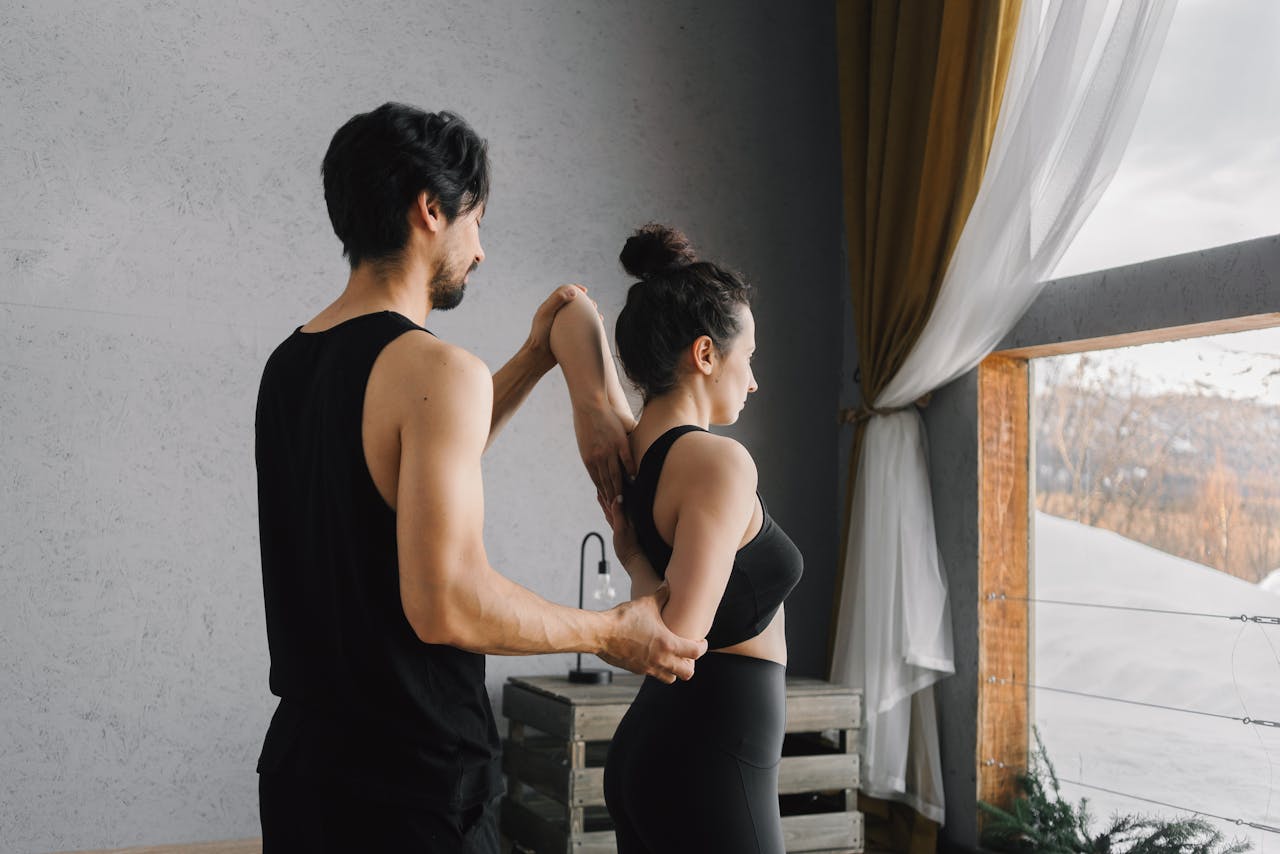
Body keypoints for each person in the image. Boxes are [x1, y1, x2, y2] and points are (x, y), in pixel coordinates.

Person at [253, 103, 706, 854]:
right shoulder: (435, 370)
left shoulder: (289, 363)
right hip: (413, 786)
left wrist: (533, 358)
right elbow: (448, 605)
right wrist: (610, 632)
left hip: (304, 772)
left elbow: (396, 473)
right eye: (476, 221)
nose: (481, 252)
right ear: (430, 210)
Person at [579, 224, 805, 853]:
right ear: (705, 354)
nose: (753, 380)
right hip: (712, 763)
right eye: (748, 357)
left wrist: (632, 558)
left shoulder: (634, 451)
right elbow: (677, 640)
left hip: (666, 751)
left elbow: (572, 312)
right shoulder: (718, 462)